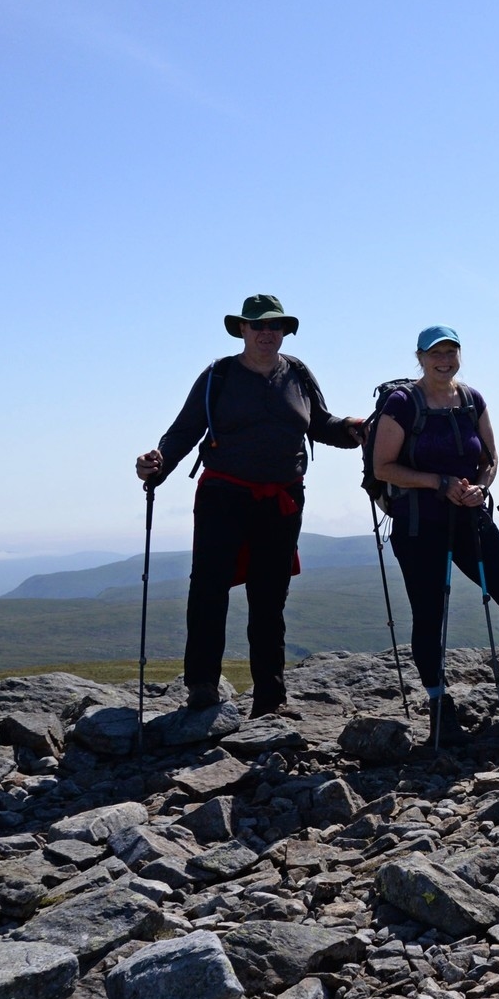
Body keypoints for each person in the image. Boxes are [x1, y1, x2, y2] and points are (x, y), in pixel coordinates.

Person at [135, 295, 363, 719]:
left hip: (282, 500)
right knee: (208, 589)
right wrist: (157, 466)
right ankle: (202, 688)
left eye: (274, 326)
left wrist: (354, 430)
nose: (266, 332)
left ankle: (270, 698)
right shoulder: (219, 375)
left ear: (283, 331)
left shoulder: (297, 373)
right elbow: (184, 430)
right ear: (241, 329)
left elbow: (319, 423)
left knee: (269, 596)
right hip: (224, 495)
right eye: (257, 325)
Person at [371, 325, 499, 744]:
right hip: (418, 525)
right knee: (430, 616)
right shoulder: (401, 404)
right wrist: (439, 482)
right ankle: (439, 711)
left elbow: (489, 458)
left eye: (450, 352)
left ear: (460, 355)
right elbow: (383, 468)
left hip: (470, 519)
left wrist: (482, 486)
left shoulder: (471, 399)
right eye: (435, 354)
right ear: (420, 357)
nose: (443, 360)